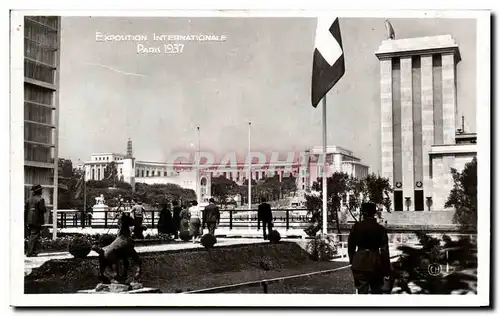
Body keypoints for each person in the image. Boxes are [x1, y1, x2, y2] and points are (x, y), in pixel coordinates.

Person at [348, 202, 391, 294]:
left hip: (359, 262)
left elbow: (351, 246)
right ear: (374, 213)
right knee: (377, 292)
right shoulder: (380, 229)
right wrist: (387, 269)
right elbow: (384, 251)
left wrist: (352, 260)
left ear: (364, 213)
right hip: (376, 263)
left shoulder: (356, 227)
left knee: (362, 292)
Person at [25, 184, 47, 257]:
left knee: (33, 235)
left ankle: (33, 251)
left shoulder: (28, 199)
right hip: (37, 220)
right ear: (39, 191)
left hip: (29, 220)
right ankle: (30, 252)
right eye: (41, 190)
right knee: (34, 236)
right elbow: (42, 209)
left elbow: (26, 210)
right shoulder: (40, 199)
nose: (42, 191)